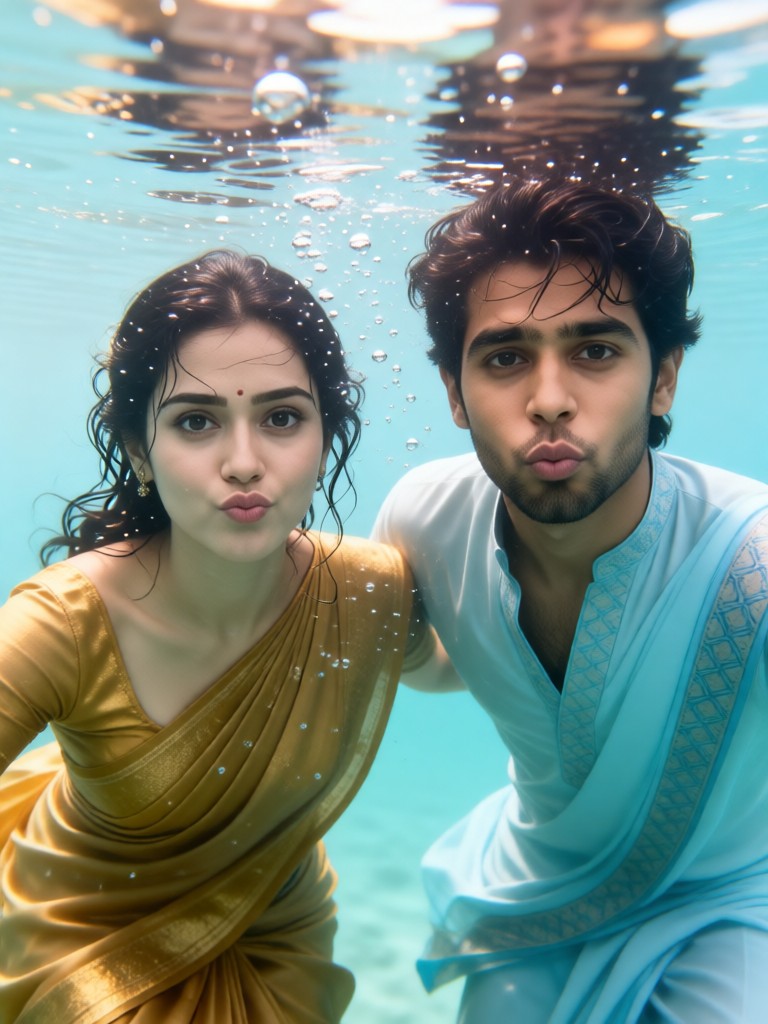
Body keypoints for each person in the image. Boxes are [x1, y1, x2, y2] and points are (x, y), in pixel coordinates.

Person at [0, 250, 446, 1024]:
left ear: (325, 434)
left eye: (281, 417)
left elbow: (467, 669)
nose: (244, 464)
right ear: (139, 448)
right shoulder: (62, 622)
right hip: (81, 955)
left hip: (283, 952)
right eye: (197, 421)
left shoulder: (369, 592)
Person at [373, 180, 768, 1022]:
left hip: (731, 898)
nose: (549, 398)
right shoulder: (422, 518)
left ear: (662, 378)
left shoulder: (754, 561)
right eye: (506, 356)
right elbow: (459, 661)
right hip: (532, 892)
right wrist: (387, 633)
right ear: (453, 391)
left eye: (594, 351)